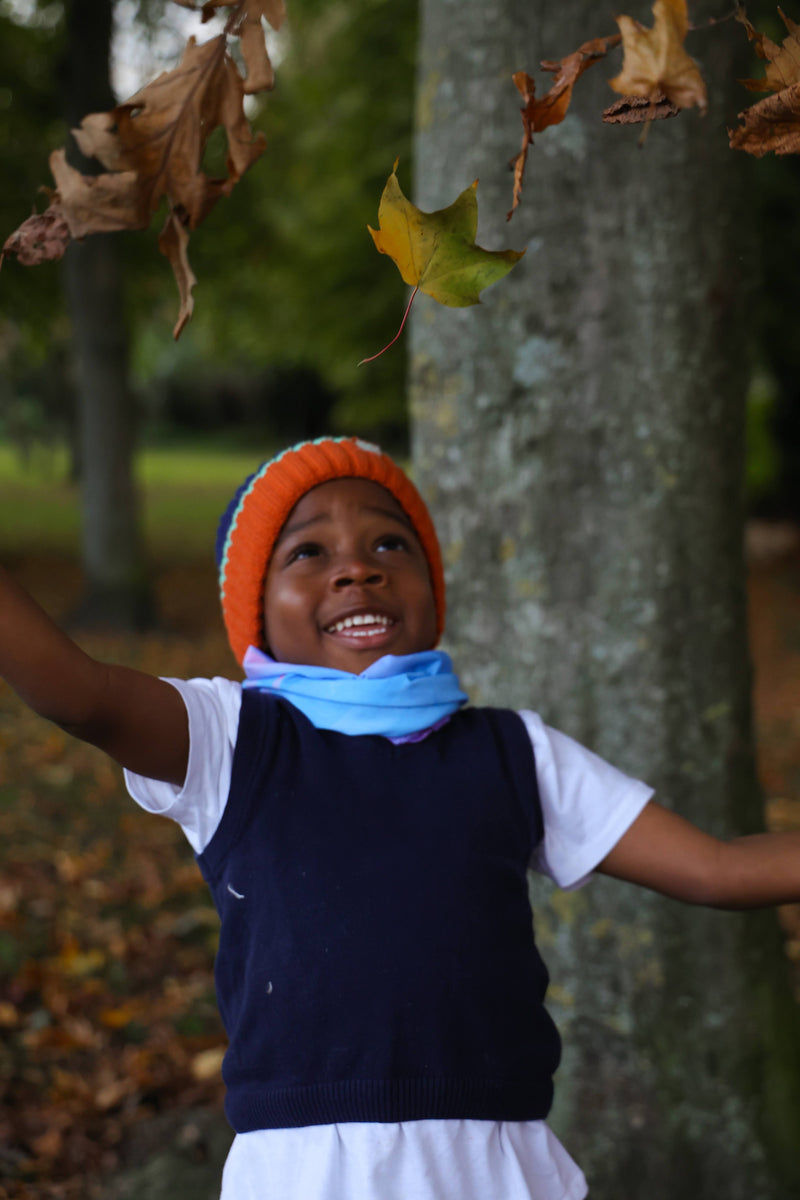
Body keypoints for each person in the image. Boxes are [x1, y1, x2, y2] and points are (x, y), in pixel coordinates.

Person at [1, 434, 799, 1200]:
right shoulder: (233, 741)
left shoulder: (514, 753)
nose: (356, 569)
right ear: (256, 611)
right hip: (308, 1172)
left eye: (391, 546)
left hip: (496, 1167)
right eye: (308, 552)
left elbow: (718, 869)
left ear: (433, 588)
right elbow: (79, 692)